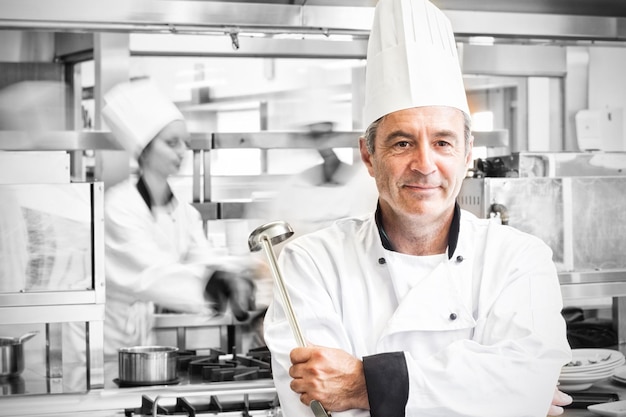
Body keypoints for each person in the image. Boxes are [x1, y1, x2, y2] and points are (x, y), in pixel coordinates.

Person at [262, 0, 573, 416]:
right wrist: (492, 394)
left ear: (466, 155)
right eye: (402, 142)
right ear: (369, 156)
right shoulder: (310, 265)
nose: (425, 164)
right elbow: (315, 409)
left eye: (443, 142)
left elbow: (528, 382)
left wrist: (362, 384)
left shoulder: (518, 258)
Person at [101, 79, 259, 358]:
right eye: (171, 143)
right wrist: (217, 283)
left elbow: (204, 257)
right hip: (104, 343)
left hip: (141, 342)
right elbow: (150, 273)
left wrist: (236, 274)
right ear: (145, 150)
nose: (183, 151)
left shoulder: (183, 212)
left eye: (185, 142)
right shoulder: (118, 207)